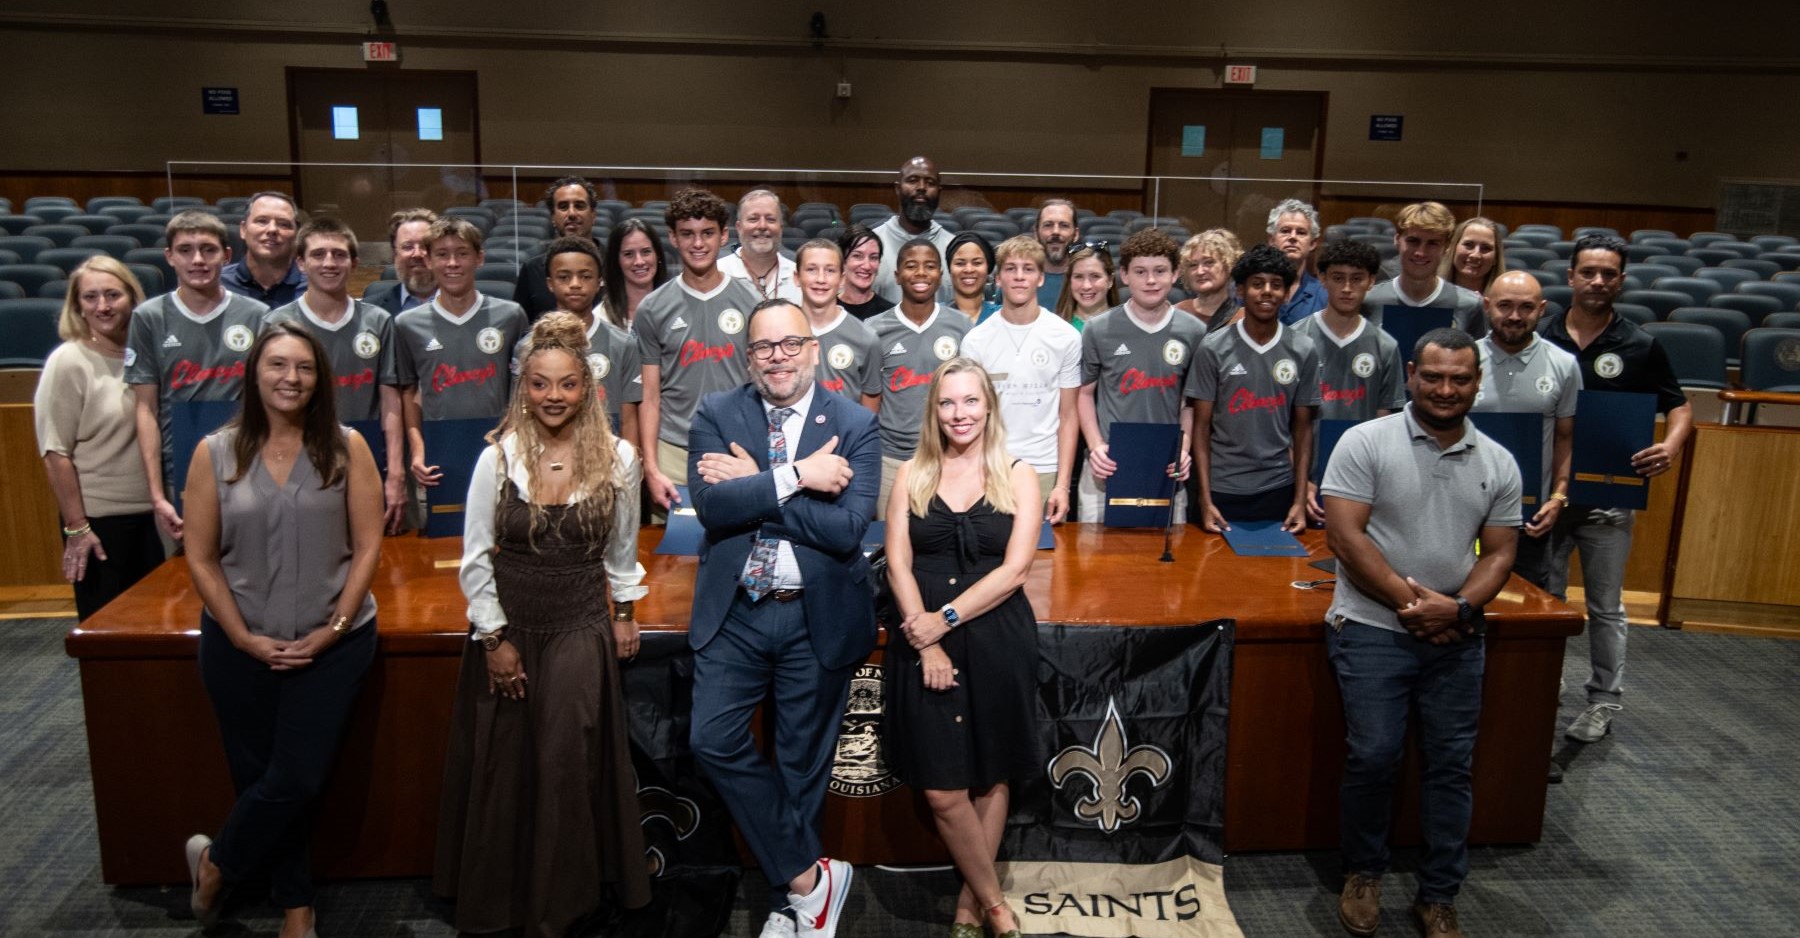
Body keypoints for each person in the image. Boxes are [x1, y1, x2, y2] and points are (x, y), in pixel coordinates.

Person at [435, 312, 651, 938]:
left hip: (580, 621)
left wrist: (625, 612)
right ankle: (502, 901)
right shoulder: (497, 458)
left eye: (566, 384)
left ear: (588, 389)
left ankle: (560, 907)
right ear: (523, 389)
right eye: (539, 384)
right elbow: (475, 558)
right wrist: (493, 639)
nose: (553, 396)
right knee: (506, 766)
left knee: (565, 760)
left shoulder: (620, 457)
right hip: (510, 625)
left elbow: (622, 552)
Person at [181, 321, 384, 938]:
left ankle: (217, 864)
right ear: (254, 373)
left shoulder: (347, 446)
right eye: (277, 365)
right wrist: (242, 637)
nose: (290, 378)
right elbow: (200, 557)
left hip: (333, 644)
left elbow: (368, 546)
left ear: (320, 379)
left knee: (297, 777)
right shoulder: (215, 452)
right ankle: (297, 908)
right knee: (258, 776)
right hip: (239, 645)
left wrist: (336, 627)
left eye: (304, 367)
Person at [685, 298, 880, 938]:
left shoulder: (854, 423)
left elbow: (846, 530)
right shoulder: (717, 413)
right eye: (764, 347)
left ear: (813, 349)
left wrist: (759, 484)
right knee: (711, 739)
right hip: (736, 614)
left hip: (814, 619)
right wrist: (799, 475)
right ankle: (812, 880)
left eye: (790, 344)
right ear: (749, 357)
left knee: (801, 771)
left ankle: (789, 906)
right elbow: (714, 509)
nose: (778, 357)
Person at [1321, 328, 1521, 938]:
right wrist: (1417, 607)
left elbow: (1500, 553)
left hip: (1456, 638)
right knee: (1374, 755)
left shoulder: (1499, 461)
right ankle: (1364, 872)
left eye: (1460, 379)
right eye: (1433, 376)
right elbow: (1345, 537)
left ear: (1477, 382)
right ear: (1411, 374)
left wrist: (1457, 609)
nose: (1445, 389)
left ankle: (1439, 895)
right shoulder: (1364, 441)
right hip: (1371, 629)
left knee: (1451, 766)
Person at [882, 358, 1039, 938]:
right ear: (934, 411)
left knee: (992, 775)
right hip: (921, 636)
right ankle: (999, 908)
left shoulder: (1019, 475)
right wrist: (926, 640)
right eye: (948, 403)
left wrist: (944, 619)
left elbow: (1016, 569)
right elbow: (897, 563)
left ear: (989, 406)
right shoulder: (911, 474)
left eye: (971, 401)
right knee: (943, 790)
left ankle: (971, 907)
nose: (959, 414)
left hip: (997, 637)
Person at [1539, 234, 1691, 744]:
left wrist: (1670, 446)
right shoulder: (1540, 335)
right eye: (1589, 272)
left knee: (1605, 607)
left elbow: (1679, 405)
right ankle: (1544, 686)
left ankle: (1603, 699)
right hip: (1547, 497)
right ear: (1571, 277)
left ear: (1621, 281)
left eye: (1608, 274)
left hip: (1608, 496)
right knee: (1547, 600)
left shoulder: (1640, 344)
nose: (1598, 281)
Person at [127, 210, 270, 542]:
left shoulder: (258, 316)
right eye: (185, 250)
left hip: (249, 464)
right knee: (186, 567)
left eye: (208, 250)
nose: (198, 260)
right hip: (179, 468)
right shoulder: (148, 318)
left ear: (227, 255)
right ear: (169, 257)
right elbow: (145, 409)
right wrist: (156, 494)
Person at [34, 258, 164, 620]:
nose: (102, 306)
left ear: (132, 298)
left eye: (112, 295)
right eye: (90, 297)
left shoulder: (151, 354)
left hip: (158, 518)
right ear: (77, 306)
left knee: (159, 631)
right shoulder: (68, 361)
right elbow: (55, 452)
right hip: (101, 524)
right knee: (108, 633)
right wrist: (77, 527)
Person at [266, 216, 408, 533]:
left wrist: (396, 472)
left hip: (366, 459)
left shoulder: (378, 321)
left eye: (339, 254)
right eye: (318, 254)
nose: (329, 263)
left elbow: (390, 401)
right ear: (300, 263)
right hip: (299, 460)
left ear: (354, 263)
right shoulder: (277, 323)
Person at [636, 188, 760, 513]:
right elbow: (649, 396)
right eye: (687, 234)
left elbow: (762, 388)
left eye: (707, 233)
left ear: (724, 235)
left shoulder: (751, 302)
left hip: (735, 448)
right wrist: (651, 468)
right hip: (673, 452)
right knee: (671, 545)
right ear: (673, 238)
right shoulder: (652, 308)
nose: (698, 243)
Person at [393, 216, 530, 497]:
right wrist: (418, 450)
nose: (452, 263)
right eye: (442, 255)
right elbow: (408, 391)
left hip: (500, 450)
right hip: (440, 451)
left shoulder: (511, 316)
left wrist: (515, 439)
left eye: (462, 254)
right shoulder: (407, 324)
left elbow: (522, 389)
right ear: (429, 260)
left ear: (479, 258)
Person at [1189, 244, 1322, 532]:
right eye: (1257, 284)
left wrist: (1299, 500)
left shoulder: (1303, 349)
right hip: (1222, 488)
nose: (1267, 292)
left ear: (1286, 293)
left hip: (1278, 488)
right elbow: (1201, 428)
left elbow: (1303, 430)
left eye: (1276, 285)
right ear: (1240, 290)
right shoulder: (1213, 347)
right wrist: (1204, 498)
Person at [1075, 228, 1201, 522]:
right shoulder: (1098, 329)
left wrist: (1183, 450)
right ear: (1124, 275)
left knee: (1168, 550)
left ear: (1175, 274)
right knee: (1094, 550)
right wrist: (1095, 446)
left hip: (1166, 466)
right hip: (1107, 465)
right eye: (1140, 272)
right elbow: (1084, 394)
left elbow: (1189, 404)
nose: (1151, 280)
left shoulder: (1193, 331)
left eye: (1160, 271)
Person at [1470, 270, 1579, 591]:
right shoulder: (1463, 360)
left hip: (1528, 518)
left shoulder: (1564, 365)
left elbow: (1565, 438)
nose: (1515, 316)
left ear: (1541, 309)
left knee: (1523, 603)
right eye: (1505, 305)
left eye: (1526, 307)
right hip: (1464, 514)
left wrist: (1558, 496)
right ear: (1487, 305)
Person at [960, 236, 1080, 522]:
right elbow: (971, 417)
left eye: (1028, 269)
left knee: (1046, 551)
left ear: (1041, 277)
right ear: (998, 278)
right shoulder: (976, 340)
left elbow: (1068, 415)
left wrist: (1063, 485)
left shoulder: (1065, 337)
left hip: (1045, 469)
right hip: (990, 468)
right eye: (1011, 269)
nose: (1019, 277)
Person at [1292, 240, 1404, 525]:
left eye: (1356, 279)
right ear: (1322, 278)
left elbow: (1385, 424)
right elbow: (1281, 421)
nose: (1346, 288)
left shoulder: (1385, 346)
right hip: (1300, 480)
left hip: (1362, 482)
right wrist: (1301, 482)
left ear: (1371, 282)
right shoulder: (1295, 340)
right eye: (1338, 278)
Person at [870, 239, 971, 518]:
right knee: (889, 537)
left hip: (946, 457)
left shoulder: (962, 326)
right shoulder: (874, 329)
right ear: (897, 275)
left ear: (940, 274)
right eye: (911, 266)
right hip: (890, 458)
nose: (921, 273)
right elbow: (869, 397)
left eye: (930, 266)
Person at [1362, 202, 1485, 337]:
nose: (1421, 253)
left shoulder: (1469, 305)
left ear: (1446, 247)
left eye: (1433, 243)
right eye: (1413, 241)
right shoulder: (1368, 301)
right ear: (1397, 240)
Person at [792, 238, 880, 410]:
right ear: (797, 277)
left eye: (830, 271)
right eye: (811, 269)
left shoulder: (866, 338)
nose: (821, 279)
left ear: (841, 279)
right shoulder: (781, 331)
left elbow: (870, 406)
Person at [514, 176, 599, 319]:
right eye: (563, 207)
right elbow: (521, 325)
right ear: (553, 217)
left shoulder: (614, 263)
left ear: (593, 215)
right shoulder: (532, 269)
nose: (572, 214)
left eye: (579, 206)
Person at [873, 156, 955, 304]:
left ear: (939, 191)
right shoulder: (871, 245)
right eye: (912, 181)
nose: (921, 187)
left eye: (930, 183)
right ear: (897, 189)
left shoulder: (954, 249)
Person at [222, 191, 306, 309]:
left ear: (297, 234)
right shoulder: (217, 285)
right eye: (262, 221)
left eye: (283, 224)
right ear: (243, 229)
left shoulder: (314, 287)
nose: (272, 229)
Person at [718, 189, 801, 303]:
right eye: (753, 219)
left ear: (781, 227)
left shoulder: (801, 277)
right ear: (739, 227)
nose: (762, 226)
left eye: (770, 219)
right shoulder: (717, 273)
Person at [364, 208, 439, 315]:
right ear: (395, 254)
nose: (417, 254)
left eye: (425, 246)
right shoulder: (368, 311)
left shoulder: (464, 306)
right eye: (408, 247)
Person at [599, 216, 670, 327]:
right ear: (616, 261)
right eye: (628, 254)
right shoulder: (601, 318)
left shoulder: (677, 308)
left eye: (646, 252)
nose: (639, 261)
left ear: (658, 255)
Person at [1267, 199, 1327, 325]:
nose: (1293, 237)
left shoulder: (1325, 294)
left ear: (1312, 243)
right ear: (1271, 240)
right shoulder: (1252, 290)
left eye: (1301, 232)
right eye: (1285, 231)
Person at [1173, 229, 1243, 332]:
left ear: (1228, 265)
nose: (1200, 271)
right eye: (1193, 265)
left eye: (1209, 262)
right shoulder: (1175, 314)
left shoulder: (1246, 319)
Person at [835, 223, 895, 321]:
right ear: (843, 261)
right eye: (857, 256)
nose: (867, 266)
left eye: (873, 257)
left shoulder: (891, 315)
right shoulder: (826, 310)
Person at [1053, 243, 1117, 332]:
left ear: (1110, 280)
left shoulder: (1127, 324)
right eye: (1078, 277)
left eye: (1095, 276)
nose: (1086, 286)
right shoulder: (1054, 327)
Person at [1441, 217, 1507, 296]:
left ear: (1495, 258)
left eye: (1486, 248)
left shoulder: (1506, 298)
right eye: (1468, 245)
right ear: (1453, 248)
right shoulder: (1431, 294)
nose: (1475, 255)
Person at [945, 230, 999, 324]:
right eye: (960, 263)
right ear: (950, 268)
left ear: (988, 268)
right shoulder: (933, 315)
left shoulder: (1003, 316)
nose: (969, 269)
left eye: (977, 263)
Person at [1034, 199, 1078, 309]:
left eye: (1064, 225)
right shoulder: (1018, 280)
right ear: (1036, 233)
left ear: (1076, 234)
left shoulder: (1088, 283)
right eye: (1048, 225)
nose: (1055, 232)